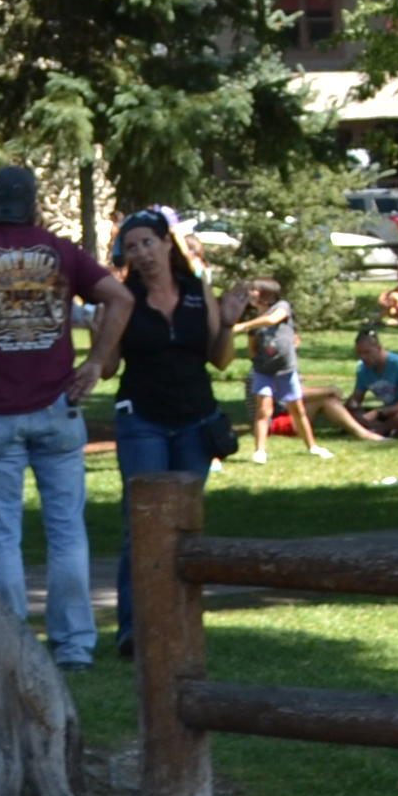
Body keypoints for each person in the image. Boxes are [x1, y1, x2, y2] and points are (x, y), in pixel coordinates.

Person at [0, 166, 133, 671]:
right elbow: (119, 297)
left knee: (0, 536)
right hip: (58, 409)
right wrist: (97, 362)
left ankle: (8, 644)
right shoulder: (59, 251)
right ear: (34, 204)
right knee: (66, 532)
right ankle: (75, 646)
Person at [110, 209, 245, 659]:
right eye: (132, 247)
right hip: (142, 419)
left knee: (184, 527)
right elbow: (108, 367)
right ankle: (133, 627)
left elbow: (220, 359)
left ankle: (180, 621)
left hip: (194, 420)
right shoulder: (123, 299)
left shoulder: (194, 292)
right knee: (142, 521)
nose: (142, 253)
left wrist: (226, 320)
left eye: (148, 243)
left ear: (169, 244)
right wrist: (101, 330)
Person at [235, 280, 332, 464]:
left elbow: (273, 319)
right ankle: (260, 451)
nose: (251, 294)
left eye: (254, 290)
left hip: (286, 370)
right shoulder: (255, 323)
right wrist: (259, 362)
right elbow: (252, 349)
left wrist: (243, 325)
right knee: (263, 410)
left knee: (297, 409)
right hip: (263, 372)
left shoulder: (281, 306)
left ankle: (312, 446)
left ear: (266, 294)